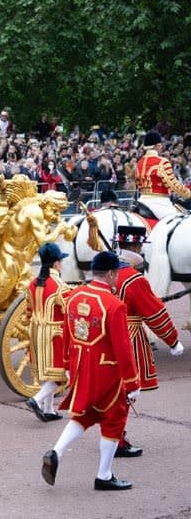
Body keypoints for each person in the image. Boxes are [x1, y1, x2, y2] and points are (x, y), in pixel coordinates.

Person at [41, 251, 140, 491]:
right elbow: (123, 348)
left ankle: (56, 451)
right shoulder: (114, 305)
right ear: (111, 273)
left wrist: (65, 364)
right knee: (114, 420)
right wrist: (133, 382)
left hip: (80, 366)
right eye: (117, 272)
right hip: (107, 371)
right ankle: (104, 475)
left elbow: (66, 332)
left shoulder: (75, 296)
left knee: (84, 415)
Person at [113, 225, 184, 457]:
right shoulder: (133, 278)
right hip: (127, 335)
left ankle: (112, 435)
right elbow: (154, 314)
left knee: (112, 389)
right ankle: (116, 438)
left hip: (102, 337)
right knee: (126, 389)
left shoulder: (106, 271)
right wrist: (173, 340)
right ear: (136, 246)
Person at [24, 243, 71, 422]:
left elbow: (28, 311)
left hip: (36, 332)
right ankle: (36, 399)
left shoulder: (32, 283)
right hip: (55, 334)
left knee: (48, 372)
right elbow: (69, 310)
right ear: (56, 263)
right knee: (60, 375)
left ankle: (49, 409)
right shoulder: (60, 285)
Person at [135, 130, 191, 218]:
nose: (161, 148)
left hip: (141, 200)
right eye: (161, 145)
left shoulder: (139, 163)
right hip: (159, 203)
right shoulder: (162, 162)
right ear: (157, 146)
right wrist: (188, 193)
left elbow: (138, 184)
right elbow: (173, 184)